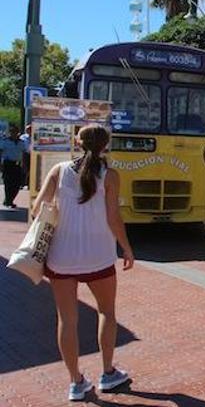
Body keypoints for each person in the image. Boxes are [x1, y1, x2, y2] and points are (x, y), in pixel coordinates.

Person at [30, 125, 135, 401]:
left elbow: (36, 210)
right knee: (106, 312)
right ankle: (108, 373)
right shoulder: (110, 176)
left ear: (78, 143)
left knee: (66, 319)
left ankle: (76, 382)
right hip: (98, 256)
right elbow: (114, 218)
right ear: (105, 146)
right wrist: (126, 248)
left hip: (60, 259)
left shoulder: (58, 171)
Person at [0, 125, 27, 208]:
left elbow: (24, 154)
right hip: (8, 164)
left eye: (15, 132)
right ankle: (9, 201)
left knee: (17, 184)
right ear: (9, 133)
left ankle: (9, 200)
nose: (13, 133)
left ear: (17, 133)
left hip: (17, 164)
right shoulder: (5, 141)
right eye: (12, 132)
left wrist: (24, 165)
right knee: (8, 183)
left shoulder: (21, 142)